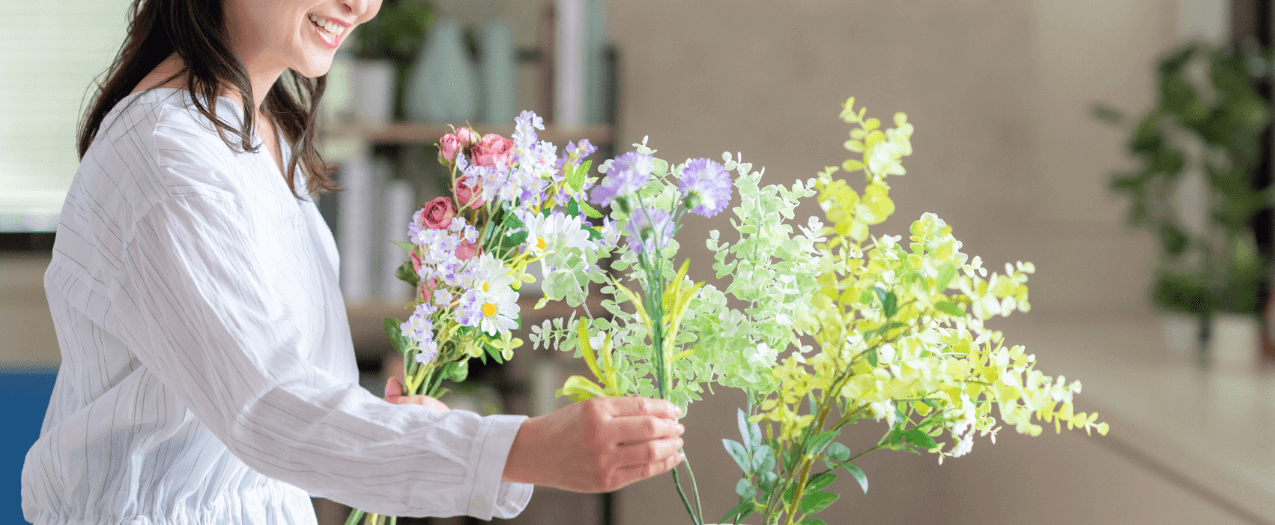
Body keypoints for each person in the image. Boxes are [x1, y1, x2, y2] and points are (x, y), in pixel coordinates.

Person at [20, 0, 685, 523]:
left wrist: (393, 422)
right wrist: (526, 449)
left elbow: (255, 379)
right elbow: (270, 408)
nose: (362, 5)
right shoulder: (168, 158)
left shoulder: (260, 128)